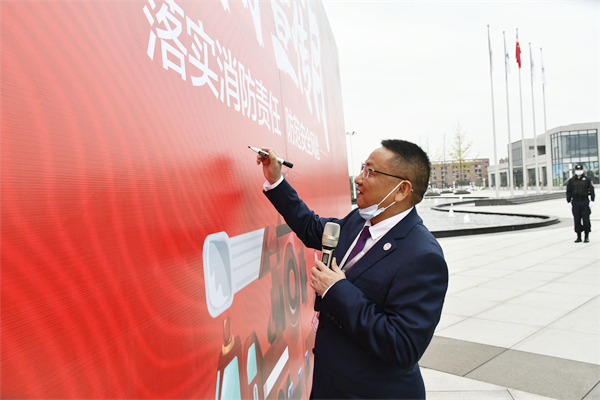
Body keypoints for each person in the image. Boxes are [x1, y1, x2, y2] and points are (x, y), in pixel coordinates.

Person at [256, 139, 448, 399]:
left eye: (371, 172)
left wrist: (337, 289)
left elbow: (403, 346)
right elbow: (311, 227)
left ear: (402, 190)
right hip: (330, 385)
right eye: (362, 168)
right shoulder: (358, 220)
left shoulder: (423, 256)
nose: (358, 179)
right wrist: (276, 181)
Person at [566, 164, 595, 243]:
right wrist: (568, 201)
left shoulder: (587, 179)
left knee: (586, 219)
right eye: (577, 170)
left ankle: (586, 236)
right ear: (575, 171)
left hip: (584, 201)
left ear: (582, 170)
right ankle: (578, 237)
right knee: (577, 219)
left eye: (580, 169)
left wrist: (592, 200)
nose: (579, 171)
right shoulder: (571, 180)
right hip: (575, 202)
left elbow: (591, 190)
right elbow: (568, 191)